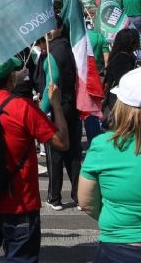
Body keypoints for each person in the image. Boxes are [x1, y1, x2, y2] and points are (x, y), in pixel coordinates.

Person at [0, 54, 69, 263]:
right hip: (18, 203)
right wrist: (55, 105)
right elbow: (62, 142)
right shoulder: (22, 107)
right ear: (10, 78)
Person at [79, 67, 141, 263]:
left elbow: (87, 202)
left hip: (120, 247)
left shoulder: (104, 146)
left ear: (122, 105)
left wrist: (121, 222)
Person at [43, 16, 80, 211]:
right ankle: (79, 195)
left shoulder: (53, 52)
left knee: (55, 153)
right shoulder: (67, 46)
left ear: (59, 28)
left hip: (57, 106)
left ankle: (54, 197)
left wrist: (41, 110)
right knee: (73, 152)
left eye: (51, 27)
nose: (47, 31)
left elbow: (51, 83)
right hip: (71, 105)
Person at [103, 29, 140, 124]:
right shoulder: (122, 58)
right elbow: (123, 81)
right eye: (137, 39)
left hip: (120, 100)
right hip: (119, 101)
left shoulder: (126, 55)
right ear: (130, 42)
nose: (139, 41)